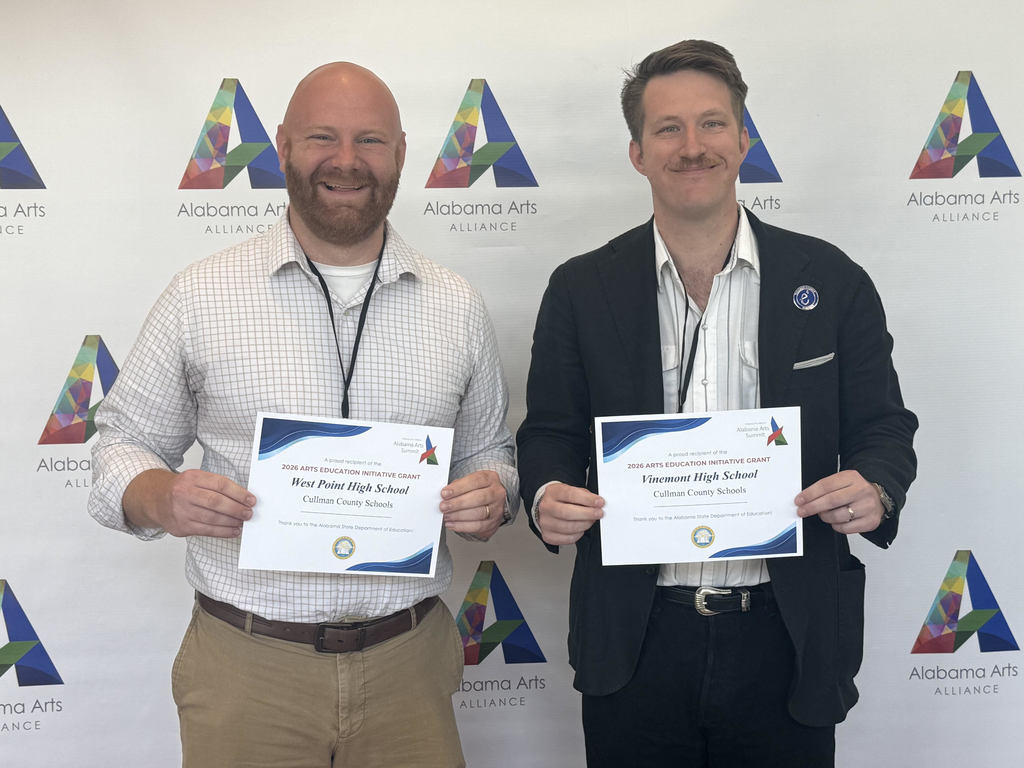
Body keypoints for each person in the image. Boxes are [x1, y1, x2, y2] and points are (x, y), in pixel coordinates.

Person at [89, 62, 517, 768]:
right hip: (246, 666)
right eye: (323, 137)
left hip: (409, 665)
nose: (346, 160)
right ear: (283, 146)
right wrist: (162, 496)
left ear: (401, 153)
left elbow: (488, 452)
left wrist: (492, 492)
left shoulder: (456, 305)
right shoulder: (201, 294)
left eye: (369, 140)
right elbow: (121, 443)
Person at [516, 40, 917, 767]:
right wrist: (547, 493)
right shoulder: (580, 289)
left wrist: (877, 485)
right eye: (668, 128)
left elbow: (883, 426)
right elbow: (548, 432)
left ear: (743, 139)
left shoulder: (831, 279)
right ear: (637, 152)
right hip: (636, 636)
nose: (692, 146)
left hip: (786, 636)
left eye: (712, 123)